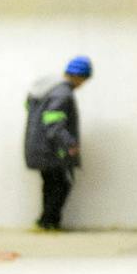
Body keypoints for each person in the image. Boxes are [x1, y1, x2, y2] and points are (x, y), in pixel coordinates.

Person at [23, 54, 90, 231]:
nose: (82, 84)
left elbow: (31, 110)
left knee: (51, 184)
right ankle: (48, 222)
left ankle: (46, 223)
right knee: (62, 184)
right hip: (54, 150)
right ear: (79, 77)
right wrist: (70, 144)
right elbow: (54, 124)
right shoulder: (63, 93)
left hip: (38, 147)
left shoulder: (45, 89)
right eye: (84, 80)